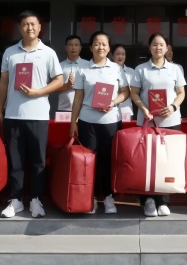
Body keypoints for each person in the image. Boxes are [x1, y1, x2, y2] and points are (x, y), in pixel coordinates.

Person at [0, 10, 63, 218]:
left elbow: (59, 81)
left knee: (38, 161)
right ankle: (15, 200)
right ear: (19, 28)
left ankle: (35, 199)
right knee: (15, 160)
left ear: (40, 28)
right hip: (13, 115)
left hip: (38, 116)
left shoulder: (48, 53)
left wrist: (38, 92)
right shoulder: (10, 52)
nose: (29, 28)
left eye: (33, 24)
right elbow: (4, 82)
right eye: (25, 24)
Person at [70, 31, 130, 214]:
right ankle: (92, 198)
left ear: (109, 47)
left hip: (111, 121)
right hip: (88, 122)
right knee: (90, 162)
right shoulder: (83, 69)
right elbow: (78, 98)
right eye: (97, 43)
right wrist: (73, 122)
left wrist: (113, 102)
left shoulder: (116, 69)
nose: (100, 47)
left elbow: (125, 92)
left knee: (109, 160)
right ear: (91, 47)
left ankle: (109, 197)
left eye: (104, 44)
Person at [131, 33, 186, 217]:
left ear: (167, 48)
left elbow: (181, 93)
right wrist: (143, 108)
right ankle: (147, 199)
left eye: (161, 44)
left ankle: (163, 200)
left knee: (167, 161)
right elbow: (134, 93)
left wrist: (173, 107)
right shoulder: (141, 69)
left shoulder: (175, 69)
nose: (158, 48)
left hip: (171, 122)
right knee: (146, 160)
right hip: (148, 120)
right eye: (154, 44)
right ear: (149, 48)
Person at [57, 35, 89, 111]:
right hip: (64, 107)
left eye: (76, 45)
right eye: (70, 45)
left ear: (80, 48)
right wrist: (68, 85)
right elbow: (55, 87)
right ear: (66, 47)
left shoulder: (88, 65)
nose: (73, 47)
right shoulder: (59, 66)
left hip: (83, 107)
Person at [111, 44, 136, 117]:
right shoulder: (108, 71)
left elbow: (134, 91)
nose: (121, 57)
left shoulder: (131, 72)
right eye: (118, 54)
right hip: (110, 109)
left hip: (126, 110)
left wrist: (126, 90)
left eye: (123, 54)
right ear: (112, 56)